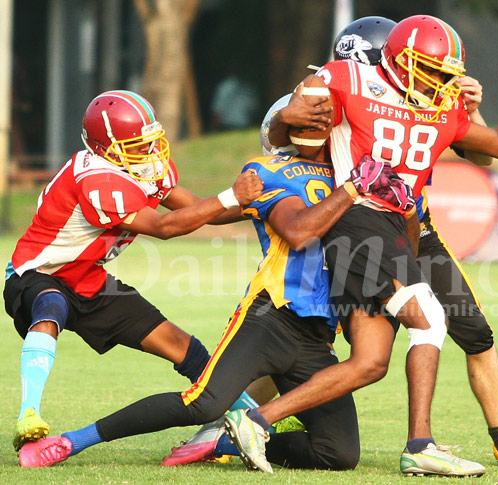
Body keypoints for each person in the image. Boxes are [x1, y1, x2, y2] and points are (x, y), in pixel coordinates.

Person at [225, 14, 498, 477]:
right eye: (428, 68)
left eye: (443, 73)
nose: (437, 80)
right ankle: (420, 445)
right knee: (429, 317)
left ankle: (252, 420)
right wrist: (292, 113)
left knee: (370, 363)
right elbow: (289, 138)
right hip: (356, 219)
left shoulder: (443, 104)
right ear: (394, 59)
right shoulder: (348, 79)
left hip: (400, 227)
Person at [16, 114, 413, 471]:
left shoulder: (361, 175)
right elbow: (296, 231)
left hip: (318, 333)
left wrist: (407, 208)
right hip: (271, 317)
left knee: (339, 454)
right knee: (203, 402)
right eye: (308, 125)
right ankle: (68, 442)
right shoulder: (277, 171)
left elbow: (402, 248)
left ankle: (223, 442)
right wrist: (350, 188)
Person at [4, 90, 263, 452]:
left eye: (150, 142)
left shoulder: (141, 167)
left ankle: (260, 417)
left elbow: (203, 210)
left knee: (183, 347)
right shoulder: (96, 178)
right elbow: (165, 227)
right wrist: (231, 196)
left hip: (89, 280)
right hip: (37, 272)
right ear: (105, 148)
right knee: (52, 307)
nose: (150, 153)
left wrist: (263, 205)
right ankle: (28, 415)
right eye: (138, 145)